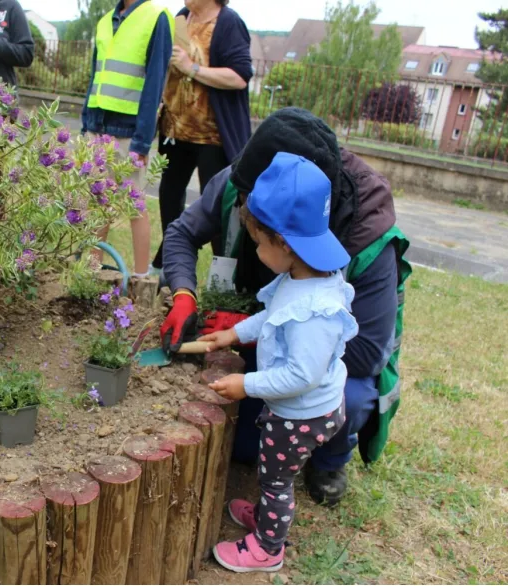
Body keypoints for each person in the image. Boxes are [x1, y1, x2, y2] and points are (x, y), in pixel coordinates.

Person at [160, 108, 412, 506]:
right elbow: (181, 234)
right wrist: (183, 294)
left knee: (351, 395)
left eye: (256, 224)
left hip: (320, 364)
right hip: (270, 338)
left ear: (289, 236)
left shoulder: (367, 227)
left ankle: (330, 458)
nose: (245, 216)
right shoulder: (250, 177)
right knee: (244, 449)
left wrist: (254, 333)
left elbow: (365, 354)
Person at [200, 152, 358, 572]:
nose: (254, 248)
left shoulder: (315, 311)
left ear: (283, 242)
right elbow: (272, 315)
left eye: (257, 241)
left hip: (301, 414)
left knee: (275, 479)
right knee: (275, 478)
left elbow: (300, 375)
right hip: (304, 407)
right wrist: (235, 333)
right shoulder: (305, 276)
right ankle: (269, 513)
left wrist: (246, 385)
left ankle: (269, 547)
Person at [151, 0, 251, 272]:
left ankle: (223, 280)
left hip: (213, 137)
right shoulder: (181, 18)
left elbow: (240, 76)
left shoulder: (228, 22)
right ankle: (169, 268)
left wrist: (191, 67)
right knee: (169, 199)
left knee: (220, 208)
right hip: (176, 132)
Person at [81, 0, 173, 279]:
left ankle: (140, 277)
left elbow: (155, 82)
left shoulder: (156, 17)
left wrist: (143, 141)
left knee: (135, 206)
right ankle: (92, 272)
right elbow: (95, 76)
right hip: (97, 125)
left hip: (129, 131)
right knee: (97, 201)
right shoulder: (105, 21)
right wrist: (87, 125)